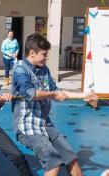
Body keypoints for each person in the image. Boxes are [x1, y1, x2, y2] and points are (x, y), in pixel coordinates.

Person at [12, 33, 98, 176]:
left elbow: (56, 92)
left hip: (46, 123)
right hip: (27, 125)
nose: (46, 58)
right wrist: (53, 95)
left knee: (71, 157)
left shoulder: (44, 70)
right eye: (44, 54)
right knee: (53, 161)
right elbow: (30, 93)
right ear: (32, 53)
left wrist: (84, 95)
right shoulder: (20, 68)